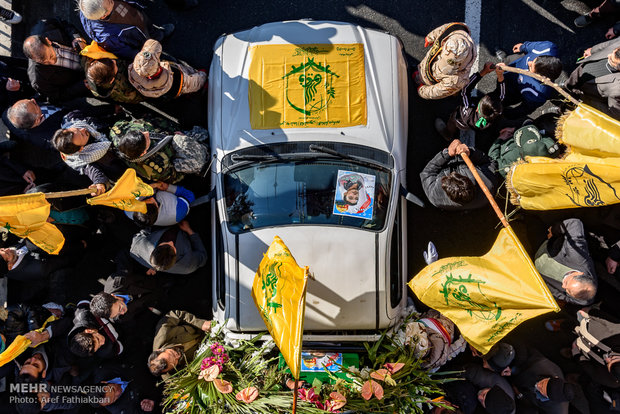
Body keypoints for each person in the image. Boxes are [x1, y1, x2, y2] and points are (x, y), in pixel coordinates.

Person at [51, 110, 126, 195]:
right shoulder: (84, 159)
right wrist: (100, 184)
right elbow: (94, 172)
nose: (83, 129)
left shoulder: (72, 119)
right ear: (81, 149)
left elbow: (92, 112)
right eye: (82, 135)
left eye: (78, 129)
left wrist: (112, 108)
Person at [78, 0, 175, 60]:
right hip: (139, 39)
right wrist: (147, 56)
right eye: (110, 2)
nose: (111, 0)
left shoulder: (92, 5)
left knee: (148, 26)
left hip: (137, 18)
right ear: (104, 15)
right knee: (149, 43)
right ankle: (159, 55)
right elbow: (127, 52)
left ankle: (158, 34)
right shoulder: (108, 37)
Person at [420, 139, 499, 211]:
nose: (453, 173)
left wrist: (446, 154)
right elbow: (490, 162)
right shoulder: (487, 184)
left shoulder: (434, 196)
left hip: (445, 162)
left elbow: (427, 172)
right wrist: (471, 152)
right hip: (466, 156)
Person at [23, 18, 90, 103]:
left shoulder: (44, 26)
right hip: (85, 81)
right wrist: (80, 87)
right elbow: (56, 97)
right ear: (33, 59)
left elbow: (63, 23)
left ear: (48, 41)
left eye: (50, 56)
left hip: (92, 52)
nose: (51, 62)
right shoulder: (38, 79)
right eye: (44, 62)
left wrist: (76, 38)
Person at [534, 218, 598, 306]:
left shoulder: (584, 299)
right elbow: (574, 224)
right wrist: (554, 231)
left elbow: (565, 297)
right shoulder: (578, 257)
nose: (563, 286)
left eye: (567, 291)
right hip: (542, 246)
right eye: (567, 282)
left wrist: (544, 285)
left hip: (531, 270)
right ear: (579, 274)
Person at [435, 62, 505, 141]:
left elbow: (465, 91)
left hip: (460, 120)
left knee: (454, 121)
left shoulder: (468, 109)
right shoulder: (496, 112)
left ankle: (447, 134)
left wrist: (483, 72)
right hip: (475, 125)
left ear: (477, 109)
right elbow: (501, 95)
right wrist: (500, 75)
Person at [113, 127, 209, 183]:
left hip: (169, 136)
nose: (146, 133)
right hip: (175, 154)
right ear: (143, 153)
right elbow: (175, 176)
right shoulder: (155, 168)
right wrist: (182, 140)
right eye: (146, 138)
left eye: (142, 133)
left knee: (202, 133)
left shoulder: (119, 133)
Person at [496, 41, 562, 119]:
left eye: (531, 68)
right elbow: (532, 47)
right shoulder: (548, 47)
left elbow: (522, 110)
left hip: (512, 89)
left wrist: (506, 114)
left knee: (500, 98)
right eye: (534, 60)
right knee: (509, 60)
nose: (529, 63)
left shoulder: (538, 95)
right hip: (517, 62)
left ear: (543, 78)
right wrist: (523, 47)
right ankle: (505, 60)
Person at [128, 39, 207, 99]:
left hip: (169, 93)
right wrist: (203, 75)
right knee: (194, 82)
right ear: (158, 66)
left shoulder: (134, 72)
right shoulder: (172, 78)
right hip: (180, 84)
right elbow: (195, 82)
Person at [416, 22, 476, 100]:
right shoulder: (456, 29)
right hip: (425, 65)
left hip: (428, 82)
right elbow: (444, 29)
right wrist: (431, 36)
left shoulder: (457, 80)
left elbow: (436, 92)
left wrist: (422, 91)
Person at [565, 37, 620, 118]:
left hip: (587, 94)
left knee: (570, 101)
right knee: (570, 83)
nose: (608, 55)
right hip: (583, 70)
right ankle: (567, 86)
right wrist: (592, 50)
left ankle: (565, 105)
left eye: (611, 60)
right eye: (612, 52)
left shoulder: (618, 90)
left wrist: (585, 102)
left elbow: (613, 113)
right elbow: (608, 44)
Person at [148, 310, 211, 380]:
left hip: (204, 320)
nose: (177, 356)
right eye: (175, 362)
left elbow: (175, 314)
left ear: (159, 350)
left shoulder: (163, 333)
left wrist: (201, 323)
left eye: (172, 353)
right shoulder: (172, 378)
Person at [130, 220, 207, 275]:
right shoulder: (187, 265)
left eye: (165, 244)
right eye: (173, 247)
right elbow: (203, 256)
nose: (171, 242)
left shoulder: (136, 249)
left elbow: (143, 232)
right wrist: (189, 230)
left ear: (156, 248)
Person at [571, 310, 620, 389]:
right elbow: (606, 320)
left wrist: (575, 352)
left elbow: (589, 368)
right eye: (613, 358)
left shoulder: (611, 381)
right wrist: (588, 313)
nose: (607, 359)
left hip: (577, 340)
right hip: (584, 320)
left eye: (608, 364)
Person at [488, 124, 560, 177]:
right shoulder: (551, 150)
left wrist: (499, 139)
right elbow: (543, 138)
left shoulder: (511, 165)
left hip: (504, 140)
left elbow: (492, 157)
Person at [125, 181, 195, 227]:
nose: (151, 198)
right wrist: (169, 187)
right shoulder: (179, 211)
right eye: (153, 202)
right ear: (157, 210)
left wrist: (153, 185)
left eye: (147, 200)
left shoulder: (128, 209)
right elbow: (190, 196)